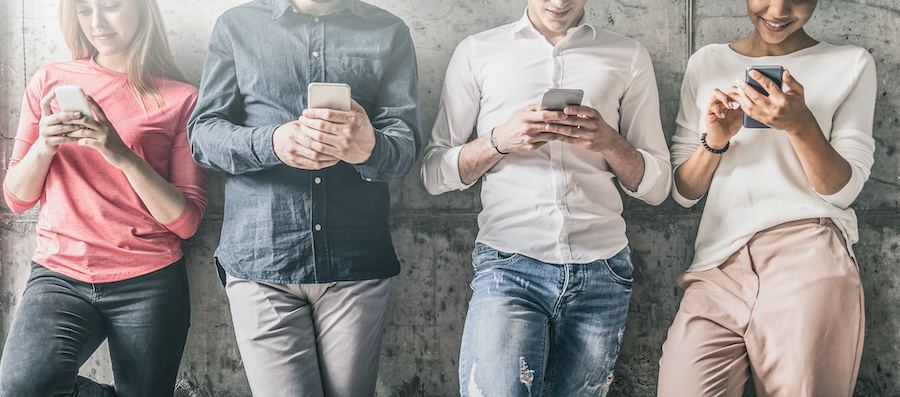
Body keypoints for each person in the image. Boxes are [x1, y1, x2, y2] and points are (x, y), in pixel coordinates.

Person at [421, 0, 671, 394]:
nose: (558, 2)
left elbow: (657, 188)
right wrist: (499, 141)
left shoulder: (628, 55)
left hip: (602, 272)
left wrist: (609, 141)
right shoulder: (478, 51)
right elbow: (434, 173)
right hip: (508, 265)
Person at [187, 0, 419, 395]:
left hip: (354, 263)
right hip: (261, 263)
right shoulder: (236, 26)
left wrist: (370, 147)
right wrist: (272, 143)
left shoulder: (390, 30)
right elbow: (203, 135)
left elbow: (405, 148)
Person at [657, 0, 876, 395]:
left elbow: (844, 190)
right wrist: (715, 141)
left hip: (808, 255)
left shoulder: (851, 63)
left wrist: (800, 125)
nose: (778, 10)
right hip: (717, 265)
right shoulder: (706, 62)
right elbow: (684, 193)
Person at [0, 0, 208, 395]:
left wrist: (122, 154)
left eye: (110, 7)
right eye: (84, 11)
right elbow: (16, 200)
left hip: (149, 279)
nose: (96, 22)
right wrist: (44, 146)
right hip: (59, 274)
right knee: (24, 385)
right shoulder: (51, 81)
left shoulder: (183, 99)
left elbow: (187, 222)